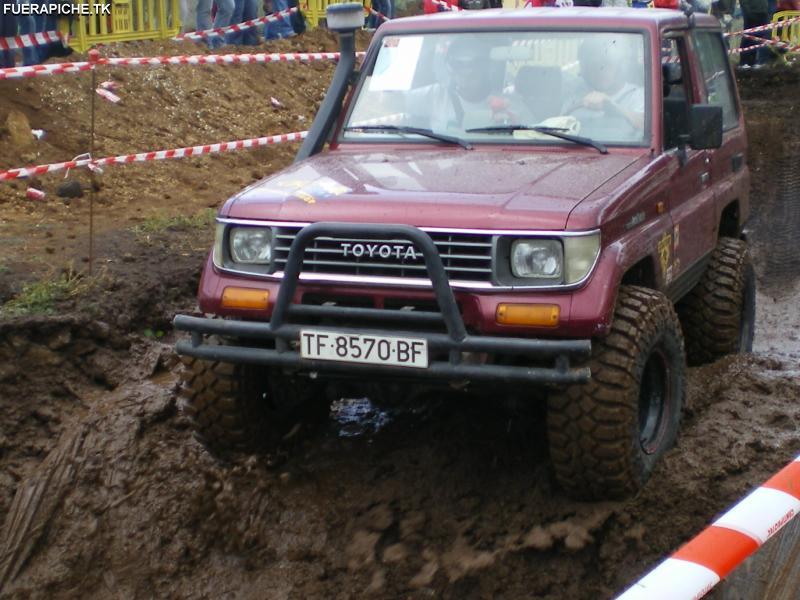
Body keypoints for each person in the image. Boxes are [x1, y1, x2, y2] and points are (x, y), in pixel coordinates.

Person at [565, 36, 645, 140]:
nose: (600, 70)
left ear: (619, 66)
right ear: (585, 69)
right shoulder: (577, 96)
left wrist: (611, 106)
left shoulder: (637, 96)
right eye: (594, 65)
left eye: (606, 64)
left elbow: (647, 126)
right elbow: (557, 127)